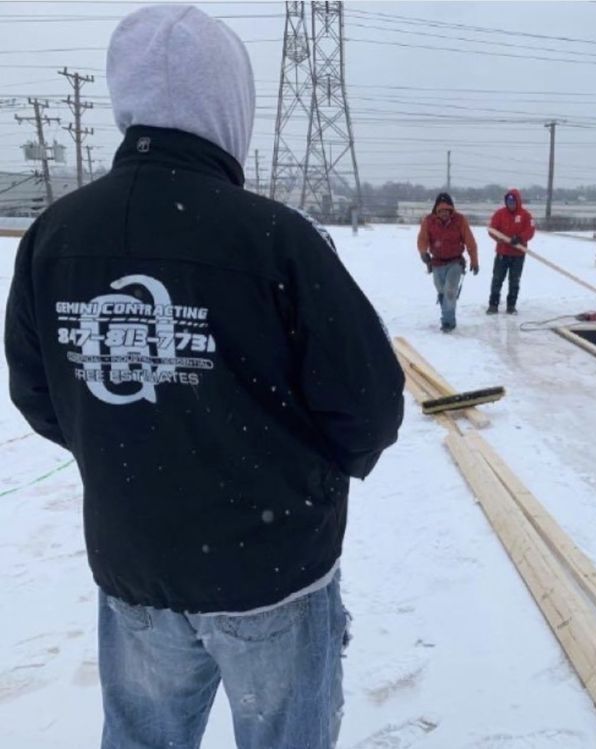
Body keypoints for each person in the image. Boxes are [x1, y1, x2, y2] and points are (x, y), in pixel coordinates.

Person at [3, 6, 404, 748]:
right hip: (273, 571)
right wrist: (301, 473)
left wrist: (128, 443)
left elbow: (39, 393)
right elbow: (370, 408)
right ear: (229, 103)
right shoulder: (276, 239)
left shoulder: (55, 236)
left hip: (135, 569)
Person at [416, 192, 479, 332]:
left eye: (447, 210)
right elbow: (422, 239)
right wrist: (423, 253)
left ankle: (448, 322)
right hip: (437, 263)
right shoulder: (429, 221)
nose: (444, 213)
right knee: (442, 292)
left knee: (450, 291)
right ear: (436, 211)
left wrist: (474, 261)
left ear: (451, 210)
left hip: (455, 262)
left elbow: (470, 242)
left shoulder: (460, 220)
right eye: (441, 211)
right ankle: (446, 311)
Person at [486, 188, 535, 315]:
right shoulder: (500, 214)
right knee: (497, 279)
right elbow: (492, 229)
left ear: (517, 201)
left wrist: (520, 238)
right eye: (508, 201)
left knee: (514, 281)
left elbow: (530, 231)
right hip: (502, 253)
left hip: (518, 255)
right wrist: (499, 239)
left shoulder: (525, 215)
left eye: (513, 201)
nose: (511, 204)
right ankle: (493, 305)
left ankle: (511, 306)